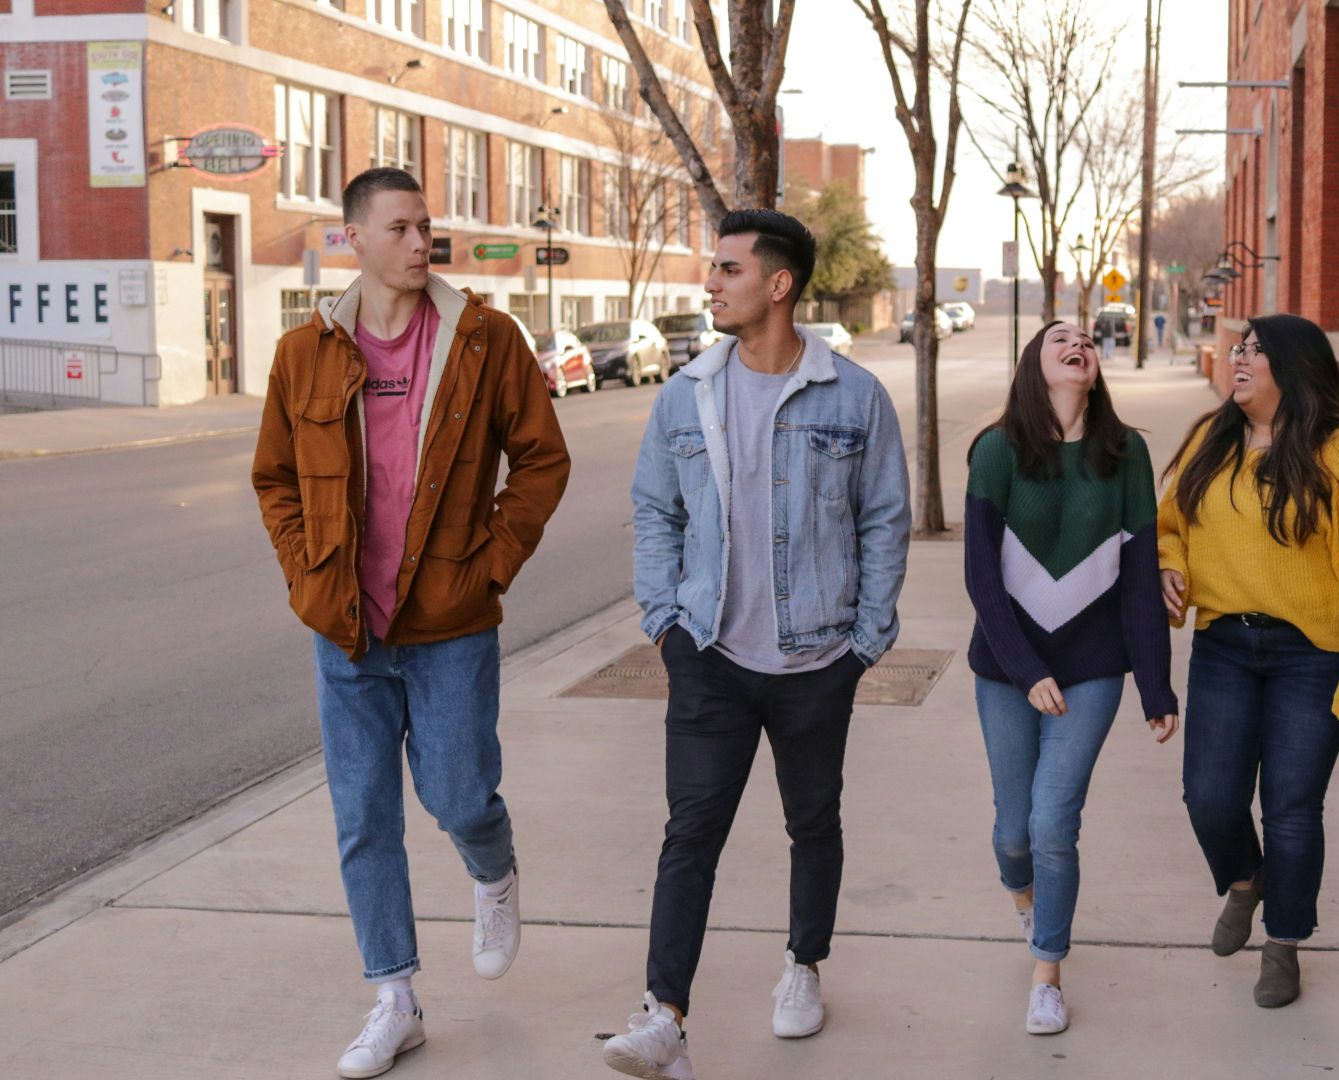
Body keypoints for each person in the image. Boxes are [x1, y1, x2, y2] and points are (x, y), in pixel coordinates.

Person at [251, 167, 570, 1079]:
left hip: (451, 623)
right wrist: (306, 570)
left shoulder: (483, 339)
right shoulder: (304, 352)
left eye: (426, 226)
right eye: (399, 227)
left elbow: (542, 461)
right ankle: (394, 997)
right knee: (363, 815)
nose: (419, 241)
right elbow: (275, 477)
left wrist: (493, 561)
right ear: (353, 237)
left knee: (460, 795)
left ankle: (493, 870)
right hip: (346, 628)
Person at [606, 209, 912, 1080]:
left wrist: (865, 642)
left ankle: (803, 965)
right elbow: (657, 512)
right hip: (708, 655)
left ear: (777, 285)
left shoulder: (854, 396)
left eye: (728, 270)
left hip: (818, 660)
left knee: (812, 821)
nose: (712, 283)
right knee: (690, 831)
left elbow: (885, 519)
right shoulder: (685, 391)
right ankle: (663, 1015)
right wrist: (664, 625)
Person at [1157, 313, 1339, 1010]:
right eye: (1239, 347)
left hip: (1312, 655)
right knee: (1209, 797)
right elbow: (1169, 523)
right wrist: (1168, 566)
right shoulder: (1212, 439)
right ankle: (1244, 882)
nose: (1239, 359)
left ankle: (1285, 944)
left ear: (1293, 367)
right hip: (1224, 644)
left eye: (1256, 351)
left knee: (1292, 809)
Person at [964, 320, 1180, 1035]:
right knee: (1011, 832)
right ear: (1035, 363)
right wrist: (1026, 672)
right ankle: (1026, 900)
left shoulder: (1127, 454)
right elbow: (982, 581)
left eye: (1086, 337)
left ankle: (1047, 971)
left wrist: (1155, 685)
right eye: (1059, 337)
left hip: (1091, 670)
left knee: (1054, 822)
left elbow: (1142, 580)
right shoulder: (996, 452)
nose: (1077, 342)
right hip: (1006, 668)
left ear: (1095, 367)